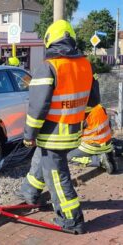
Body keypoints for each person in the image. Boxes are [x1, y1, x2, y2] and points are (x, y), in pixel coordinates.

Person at [16, 20, 100, 234]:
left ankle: (71, 219)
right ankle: (29, 193)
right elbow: (93, 101)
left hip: (52, 133)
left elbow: (37, 107)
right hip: (73, 131)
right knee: (42, 159)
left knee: (57, 177)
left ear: (49, 40)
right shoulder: (85, 64)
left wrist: (29, 135)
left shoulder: (48, 66)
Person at [67, 104, 116, 174]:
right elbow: (109, 124)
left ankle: (99, 160)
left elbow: (74, 134)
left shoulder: (82, 113)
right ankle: (108, 155)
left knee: (68, 157)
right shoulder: (99, 107)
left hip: (92, 146)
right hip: (107, 143)